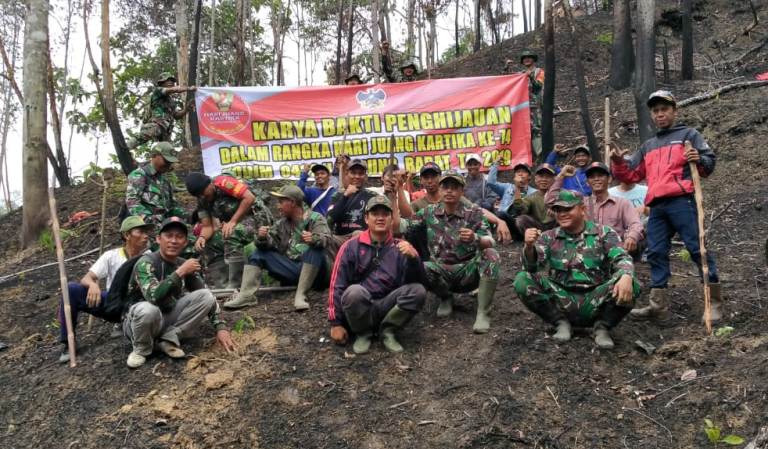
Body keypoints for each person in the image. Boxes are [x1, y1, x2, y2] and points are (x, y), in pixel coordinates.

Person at [610, 90, 721, 322]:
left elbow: (708, 165)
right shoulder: (648, 145)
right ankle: (657, 306)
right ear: (652, 115)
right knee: (656, 252)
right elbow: (631, 174)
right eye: (656, 111)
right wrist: (619, 162)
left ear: (674, 111)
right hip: (657, 207)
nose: (660, 114)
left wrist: (697, 158)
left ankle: (713, 303)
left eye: (664, 110)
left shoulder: (689, 135)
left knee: (696, 248)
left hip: (682, 201)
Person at [514, 189, 640, 349]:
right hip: (561, 298)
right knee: (522, 279)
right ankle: (560, 322)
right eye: (558, 210)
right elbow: (531, 267)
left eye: (568, 209)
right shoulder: (548, 237)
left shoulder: (604, 233)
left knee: (632, 283)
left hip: (596, 299)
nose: (562, 214)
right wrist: (529, 246)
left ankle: (602, 327)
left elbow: (621, 257)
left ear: (582, 209)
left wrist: (626, 275)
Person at [394, 170, 500, 334]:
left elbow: (490, 241)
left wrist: (475, 238)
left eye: (454, 187)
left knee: (491, 254)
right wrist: (392, 193)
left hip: (468, 272)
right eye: (445, 187)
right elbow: (400, 226)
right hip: (441, 271)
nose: (449, 191)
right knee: (418, 264)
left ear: (461, 191)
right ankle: (445, 297)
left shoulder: (474, 213)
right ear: (440, 189)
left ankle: (483, 313)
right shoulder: (429, 212)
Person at [122, 217, 236, 368]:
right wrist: (180, 272)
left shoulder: (183, 264)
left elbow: (205, 295)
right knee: (148, 309)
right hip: (138, 323)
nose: (173, 241)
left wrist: (220, 328)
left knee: (206, 296)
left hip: (166, 316)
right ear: (158, 239)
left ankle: (168, 338)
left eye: (179, 237)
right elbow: (153, 297)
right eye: (168, 236)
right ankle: (142, 349)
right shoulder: (146, 262)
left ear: (185, 242)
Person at [328, 196, 427, 354]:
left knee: (418, 291)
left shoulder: (401, 247)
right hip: (360, 307)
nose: (380, 218)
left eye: (385, 214)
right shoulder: (350, 247)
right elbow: (336, 285)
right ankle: (363, 333)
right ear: (366, 218)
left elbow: (419, 283)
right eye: (375, 214)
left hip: (387, 305)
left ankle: (388, 331)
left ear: (391, 218)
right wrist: (335, 323)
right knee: (354, 292)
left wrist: (414, 258)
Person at [57, 216, 154, 363]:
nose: (146, 235)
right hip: (114, 304)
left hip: (140, 306)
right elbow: (86, 278)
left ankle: (131, 326)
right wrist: (93, 285)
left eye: (146, 232)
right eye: (140, 231)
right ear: (127, 235)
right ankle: (68, 343)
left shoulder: (151, 257)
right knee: (71, 289)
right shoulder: (111, 256)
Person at [224, 185, 331, 311]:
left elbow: (327, 239)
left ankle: (301, 295)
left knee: (315, 250)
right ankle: (246, 296)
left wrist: (314, 239)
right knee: (258, 253)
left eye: (281, 202)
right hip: (293, 269)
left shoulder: (315, 218)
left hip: (317, 273)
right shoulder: (281, 224)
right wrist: (262, 238)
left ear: (292, 202)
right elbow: (270, 244)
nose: (278, 206)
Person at [184, 172, 273, 290]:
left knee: (230, 234)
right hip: (235, 224)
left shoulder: (223, 183)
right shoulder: (202, 200)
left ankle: (236, 283)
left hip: (256, 219)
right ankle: (222, 285)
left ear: (209, 184)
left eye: (203, 192)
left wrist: (233, 221)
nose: (203, 196)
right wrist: (202, 238)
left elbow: (249, 197)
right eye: (198, 195)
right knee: (210, 243)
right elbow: (207, 226)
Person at [546, 162, 645, 257]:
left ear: (609, 179)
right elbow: (550, 201)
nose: (596, 179)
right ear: (587, 182)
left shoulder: (622, 203)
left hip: (614, 249)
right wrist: (561, 176)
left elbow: (635, 223)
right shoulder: (581, 202)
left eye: (600, 175)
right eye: (592, 177)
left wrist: (632, 237)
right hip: (586, 252)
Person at [125, 142, 187, 230]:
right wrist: (150, 221)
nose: (168, 165)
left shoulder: (165, 180)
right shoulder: (140, 175)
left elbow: (172, 207)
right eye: (166, 161)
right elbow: (132, 202)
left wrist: (189, 216)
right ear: (154, 156)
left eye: (170, 162)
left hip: (165, 228)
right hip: (147, 229)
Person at [127, 73, 196, 150]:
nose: (170, 82)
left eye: (172, 81)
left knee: (167, 152)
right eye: (167, 80)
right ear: (161, 83)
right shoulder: (158, 91)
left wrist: (186, 109)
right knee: (144, 135)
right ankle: (125, 148)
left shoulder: (171, 101)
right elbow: (173, 90)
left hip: (166, 130)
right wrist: (189, 88)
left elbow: (176, 115)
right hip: (156, 124)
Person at [327, 159, 377, 249]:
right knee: (324, 239)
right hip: (340, 238)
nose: (357, 176)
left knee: (358, 234)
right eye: (353, 173)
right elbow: (329, 219)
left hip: (364, 238)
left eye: (361, 173)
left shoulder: (372, 196)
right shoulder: (337, 195)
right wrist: (345, 196)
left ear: (365, 176)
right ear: (347, 175)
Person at [487, 158, 537, 237]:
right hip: (505, 219)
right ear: (514, 176)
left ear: (529, 177)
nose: (520, 174)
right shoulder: (507, 187)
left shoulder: (534, 192)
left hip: (521, 224)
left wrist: (517, 187)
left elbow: (521, 209)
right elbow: (490, 182)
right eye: (518, 172)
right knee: (500, 213)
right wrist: (495, 164)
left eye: (524, 172)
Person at [511, 163, 558, 236]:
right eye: (541, 176)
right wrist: (517, 188)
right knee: (521, 219)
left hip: (556, 227)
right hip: (539, 228)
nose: (544, 179)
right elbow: (520, 208)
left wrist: (558, 211)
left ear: (554, 179)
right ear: (535, 179)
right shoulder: (531, 197)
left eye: (548, 177)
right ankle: (535, 241)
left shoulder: (561, 194)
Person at [514, 50, 545, 157]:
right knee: (523, 128)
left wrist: (530, 76)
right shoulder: (520, 74)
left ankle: (539, 153)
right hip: (522, 106)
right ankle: (525, 154)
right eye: (524, 58)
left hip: (535, 105)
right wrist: (506, 68)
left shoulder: (539, 72)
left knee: (536, 128)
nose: (526, 59)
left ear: (533, 59)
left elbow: (538, 86)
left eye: (529, 57)